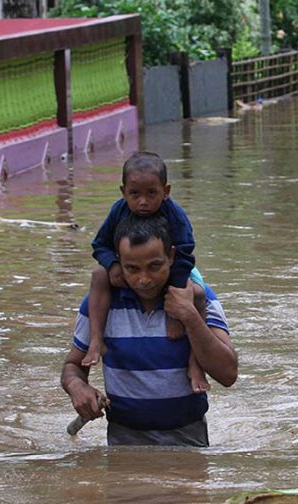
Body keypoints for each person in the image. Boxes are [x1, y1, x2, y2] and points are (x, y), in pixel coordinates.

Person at [61, 214, 238, 446]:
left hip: (189, 438)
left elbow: (228, 374)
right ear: (117, 263)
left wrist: (189, 316)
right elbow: (73, 366)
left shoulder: (198, 298)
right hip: (122, 439)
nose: (144, 279)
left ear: (172, 257)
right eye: (132, 269)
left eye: (155, 266)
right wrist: (77, 387)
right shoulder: (99, 306)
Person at [84, 151, 210, 393]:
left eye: (151, 194)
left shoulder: (175, 215)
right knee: (98, 275)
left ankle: (195, 364)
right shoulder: (118, 210)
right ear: (123, 192)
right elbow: (99, 244)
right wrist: (112, 264)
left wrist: (175, 302)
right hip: (129, 268)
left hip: (176, 268)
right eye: (135, 194)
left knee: (197, 295)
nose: (143, 202)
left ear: (166, 191)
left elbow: (185, 253)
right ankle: (96, 339)